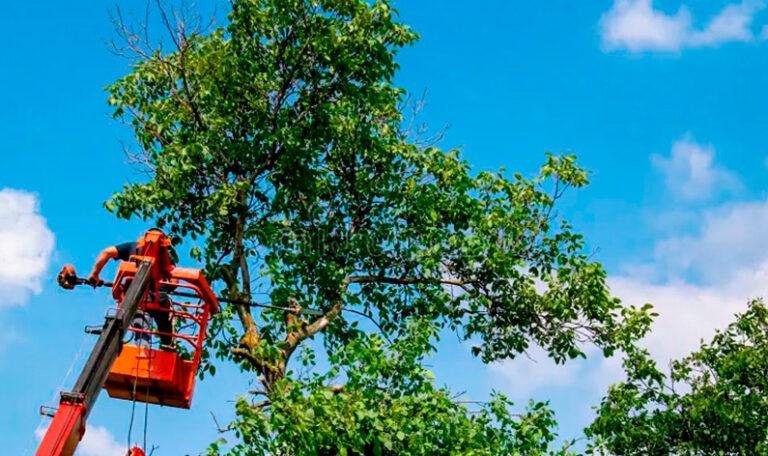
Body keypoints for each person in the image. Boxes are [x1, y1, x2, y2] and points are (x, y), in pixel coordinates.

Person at [87, 235, 175, 350]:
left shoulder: (132, 247)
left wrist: (95, 274)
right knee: (165, 327)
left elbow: (106, 252)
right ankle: (167, 346)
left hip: (134, 297)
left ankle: (143, 350)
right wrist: (163, 288)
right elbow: (174, 281)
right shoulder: (165, 257)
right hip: (159, 299)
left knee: (140, 327)